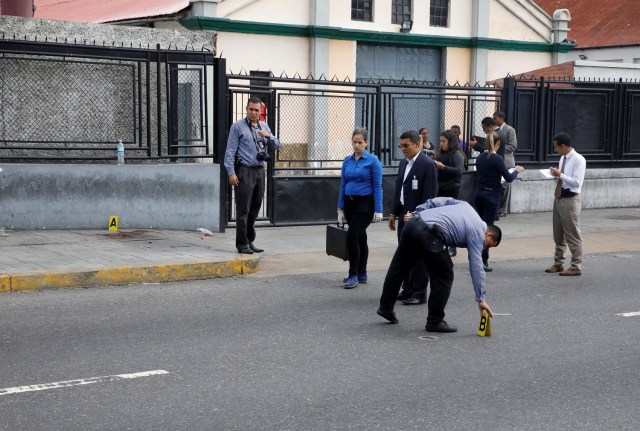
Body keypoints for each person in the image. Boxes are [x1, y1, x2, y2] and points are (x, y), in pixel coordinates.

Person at [376, 197, 499, 332]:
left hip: (413, 223)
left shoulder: (466, 206)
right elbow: (476, 265)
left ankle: (385, 308)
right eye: (488, 245)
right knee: (444, 275)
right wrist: (481, 298)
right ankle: (435, 321)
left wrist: (417, 211)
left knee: (398, 268)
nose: (484, 248)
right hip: (430, 234)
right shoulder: (478, 232)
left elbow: (438, 201)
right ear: (488, 234)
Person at [224, 97, 280, 254]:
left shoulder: (264, 126)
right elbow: (230, 151)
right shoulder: (237, 127)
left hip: (259, 170)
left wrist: (268, 136)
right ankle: (241, 244)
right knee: (243, 210)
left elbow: (276, 145)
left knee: (255, 208)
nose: (254, 112)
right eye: (251, 109)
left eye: (257, 110)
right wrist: (231, 173)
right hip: (244, 170)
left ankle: (249, 240)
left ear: (260, 112)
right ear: (246, 109)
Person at [388, 130, 438, 305]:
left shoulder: (427, 164)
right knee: (404, 253)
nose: (403, 149)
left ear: (418, 144)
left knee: (418, 255)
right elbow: (398, 189)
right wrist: (394, 212)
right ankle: (407, 288)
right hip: (403, 214)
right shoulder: (404, 163)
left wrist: (418, 215)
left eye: (406, 145)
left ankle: (419, 292)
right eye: (401, 145)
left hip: (418, 216)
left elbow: (430, 196)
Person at [337, 127, 383, 289]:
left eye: (360, 142)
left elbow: (378, 186)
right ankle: (362, 273)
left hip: (365, 204)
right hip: (350, 203)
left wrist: (379, 209)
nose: (356, 145)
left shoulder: (373, 161)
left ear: (366, 143)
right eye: (354, 142)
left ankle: (353, 274)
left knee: (352, 237)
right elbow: (343, 184)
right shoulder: (347, 160)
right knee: (360, 238)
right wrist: (340, 208)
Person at [474, 132, 524, 271]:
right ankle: (482, 261)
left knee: (480, 227)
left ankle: (477, 257)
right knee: (488, 230)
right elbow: (508, 177)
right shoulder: (497, 159)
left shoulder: (480, 158)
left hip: (479, 193)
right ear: (498, 144)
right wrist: (517, 170)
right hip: (491, 196)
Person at [545, 132, 586, 276]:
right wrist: (554, 176)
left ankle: (576, 266)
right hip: (559, 197)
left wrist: (559, 175)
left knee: (573, 234)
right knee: (558, 234)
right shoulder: (563, 158)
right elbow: (563, 179)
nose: (555, 150)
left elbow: (576, 182)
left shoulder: (578, 160)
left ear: (563, 146)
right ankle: (558, 263)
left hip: (570, 200)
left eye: (556, 147)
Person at [434, 129, 465, 257]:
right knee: (440, 219)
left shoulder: (457, 154)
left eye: (444, 141)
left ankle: (453, 245)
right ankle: (441, 243)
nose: (442, 144)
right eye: (440, 141)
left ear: (450, 141)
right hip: (440, 189)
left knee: (451, 219)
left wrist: (443, 167)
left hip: (451, 189)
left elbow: (458, 171)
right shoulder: (441, 154)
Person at [493, 111, 518, 217]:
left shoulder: (509, 130)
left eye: (495, 118)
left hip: (507, 162)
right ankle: (497, 208)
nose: (494, 120)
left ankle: (503, 210)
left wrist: (500, 148)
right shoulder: (494, 130)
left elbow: (513, 146)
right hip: (497, 160)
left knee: (506, 186)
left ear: (501, 118)